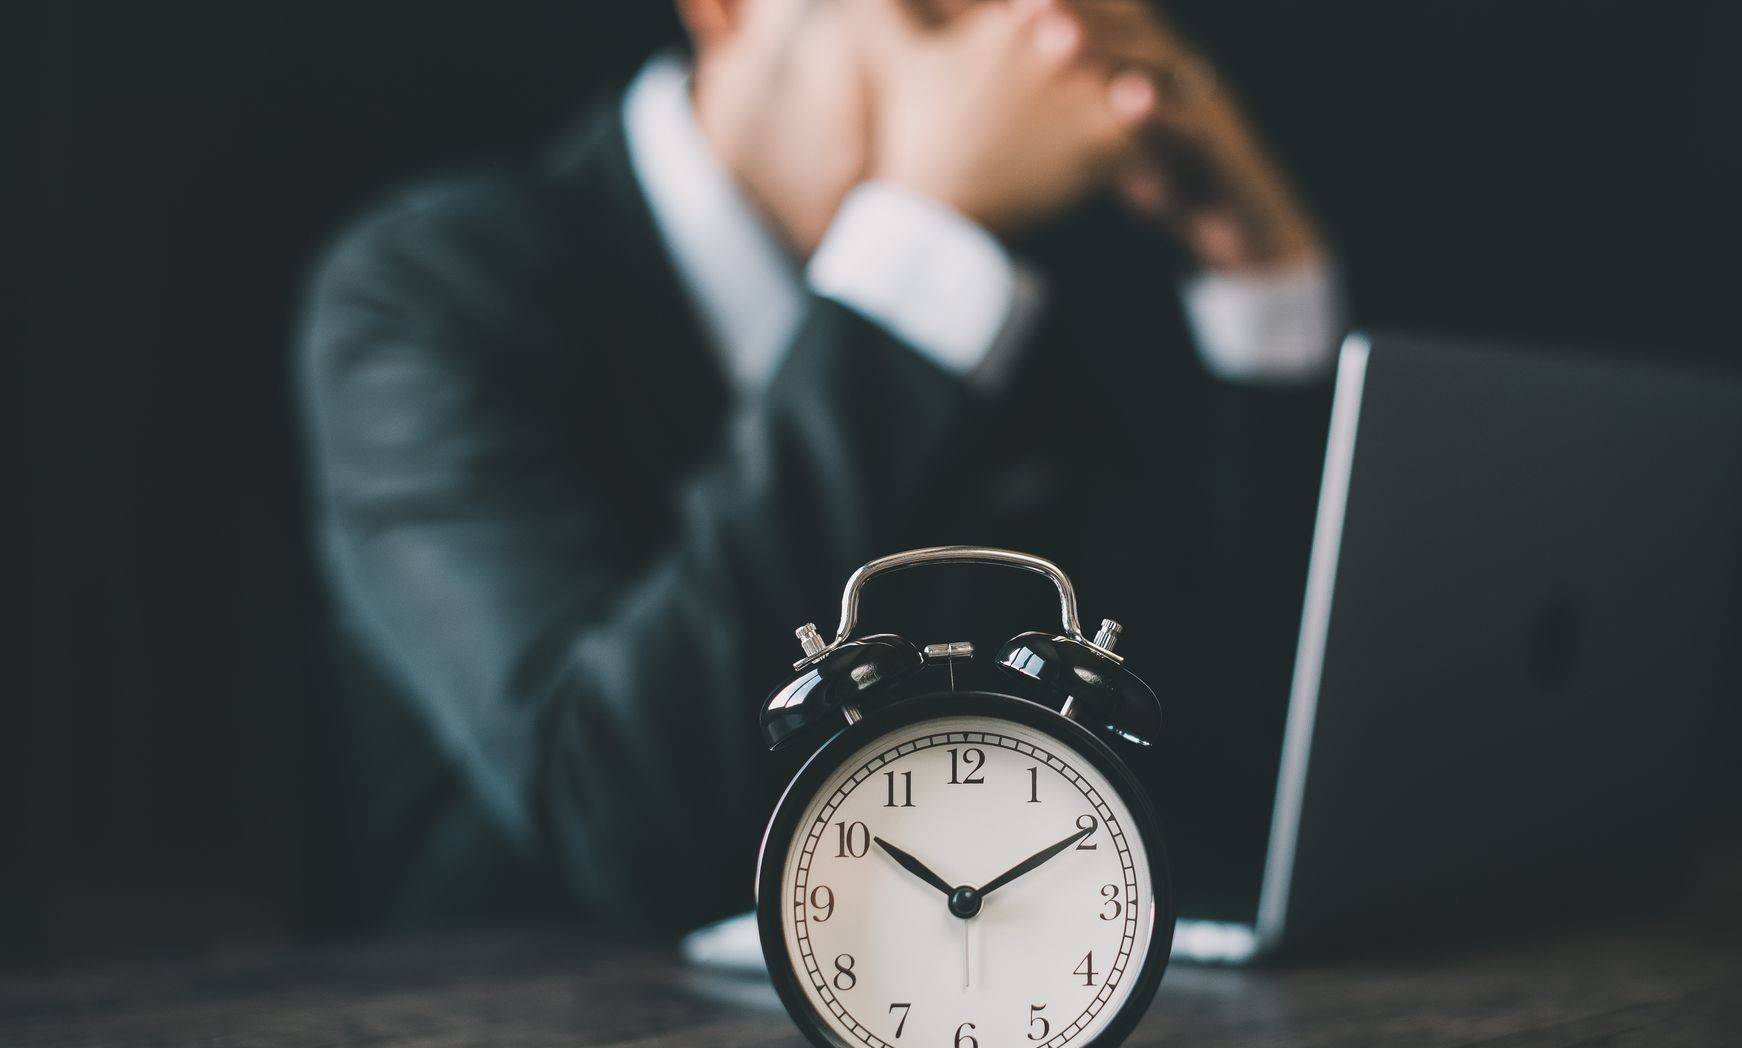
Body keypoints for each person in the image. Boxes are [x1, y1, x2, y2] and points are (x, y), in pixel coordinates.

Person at [297, 0, 1344, 931]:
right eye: (935, 14)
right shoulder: (427, 298)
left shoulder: (1038, 293)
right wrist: (931, 242)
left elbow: (1209, 757)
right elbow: (624, 815)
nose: (1026, 63)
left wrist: (1263, 275)